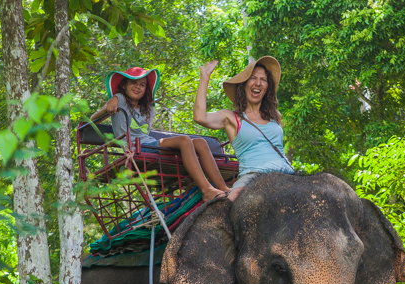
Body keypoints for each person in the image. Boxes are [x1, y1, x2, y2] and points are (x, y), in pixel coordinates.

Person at [90, 67, 230, 201]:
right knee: (184, 140)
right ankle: (206, 190)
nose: (137, 86)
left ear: (146, 90)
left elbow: (145, 134)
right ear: (124, 85)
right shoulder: (119, 98)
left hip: (149, 145)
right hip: (135, 149)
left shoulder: (148, 108)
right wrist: (107, 109)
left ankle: (222, 187)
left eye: (142, 84)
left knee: (200, 142)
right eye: (133, 82)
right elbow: (92, 120)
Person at [194, 57, 294, 200]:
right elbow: (200, 117)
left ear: (267, 87)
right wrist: (205, 77)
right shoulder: (231, 118)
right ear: (244, 84)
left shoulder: (275, 116)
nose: (258, 83)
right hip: (251, 178)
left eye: (263, 79)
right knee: (229, 209)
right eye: (253, 78)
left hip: (286, 174)